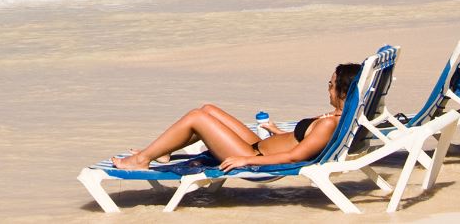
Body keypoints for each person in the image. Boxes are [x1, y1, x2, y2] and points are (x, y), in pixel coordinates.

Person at [111, 62, 362, 171]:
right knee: (208, 108)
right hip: (257, 146)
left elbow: (295, 156)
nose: (327, 88)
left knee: (196, 118)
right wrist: (277, 132)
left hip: (254, 155)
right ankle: (161, 151)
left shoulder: (330, 124)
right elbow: (299, 142)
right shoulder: (337, 117)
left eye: (330, 85)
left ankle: (142, 159)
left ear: (342, 91)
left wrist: (244, 161)